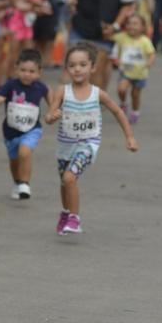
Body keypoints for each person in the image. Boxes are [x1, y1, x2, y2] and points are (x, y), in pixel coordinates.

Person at [44, 42, 138, 235]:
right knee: (65, 182)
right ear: (67, 68)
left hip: (87, 145)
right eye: (72, 65)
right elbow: (49, 115)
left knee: (70, 177)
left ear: (93, 67)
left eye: (82, 64)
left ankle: (74, 219)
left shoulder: (97, 94)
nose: (77, 69)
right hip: (65, 146)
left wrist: (130, 137)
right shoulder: (62, 91)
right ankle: (66, 212)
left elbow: (118, 112)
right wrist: (51, 117)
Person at [0, 49, 52, 200]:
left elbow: (53, 101)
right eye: (23, 70)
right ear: (16, 69)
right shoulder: (11, 85)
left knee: (25, 152)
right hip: (10, 131)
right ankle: (17, 183)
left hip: (31, 129)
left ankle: (25, 184)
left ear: (39, 72)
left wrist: (53, 112)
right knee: (14, 160)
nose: (27, 74)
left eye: (32, 71)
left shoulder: (41, 87)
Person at [111, 14, 155, 124]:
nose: (131, 26)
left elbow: (151, 54)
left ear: (143, 27)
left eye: (135, 24)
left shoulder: (145, 41)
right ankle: (123, 103)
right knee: (121, 89)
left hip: (140, 74)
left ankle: (135, 111)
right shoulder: (122, 37)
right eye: (129, 23)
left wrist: (149, 63)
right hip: (125, 72)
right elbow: (109, 36)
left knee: (135, 94)